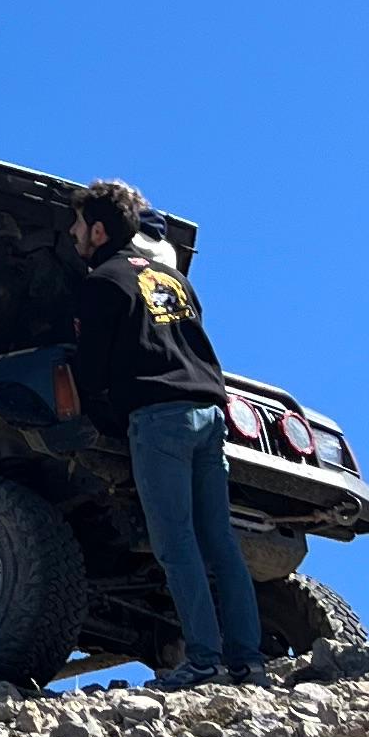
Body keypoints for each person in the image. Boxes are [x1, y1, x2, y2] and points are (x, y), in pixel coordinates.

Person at [68, 180, 264, 687]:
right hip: (208, 412)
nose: (72, 234)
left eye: (77, 224)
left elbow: (91, 372)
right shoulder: (173, 279)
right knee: (219, 540)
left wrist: (109, 422)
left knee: (176, 544)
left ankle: (202, 661)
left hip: (159, 421)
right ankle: (248, 658)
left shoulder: (102, 283)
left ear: (98, 229)